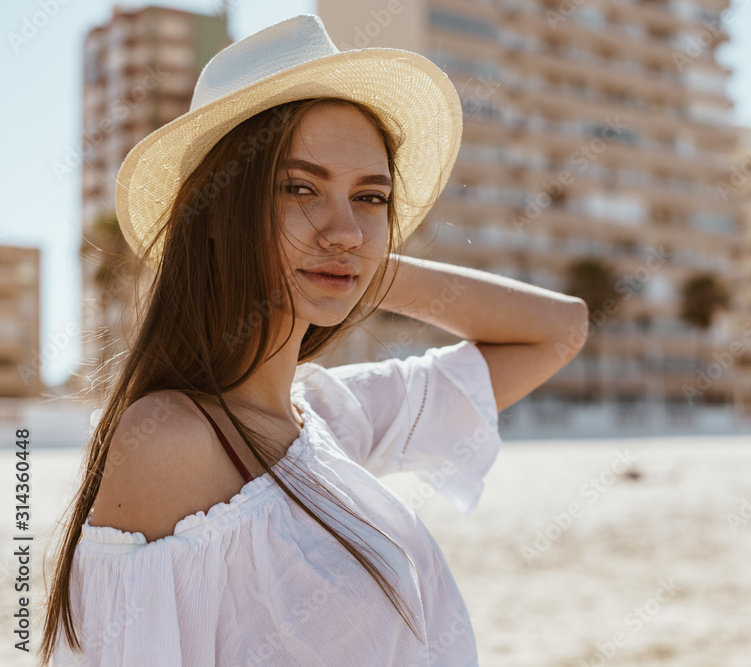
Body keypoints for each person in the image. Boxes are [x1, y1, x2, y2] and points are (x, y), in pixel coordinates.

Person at [41, 15, 588, 666]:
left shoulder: (328, 418)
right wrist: (342, 254)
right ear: (214, 212)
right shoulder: (172, 440)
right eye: (301, 187)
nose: (346, 227)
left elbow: (559, 330)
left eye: (371, 197)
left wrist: (362, 267)